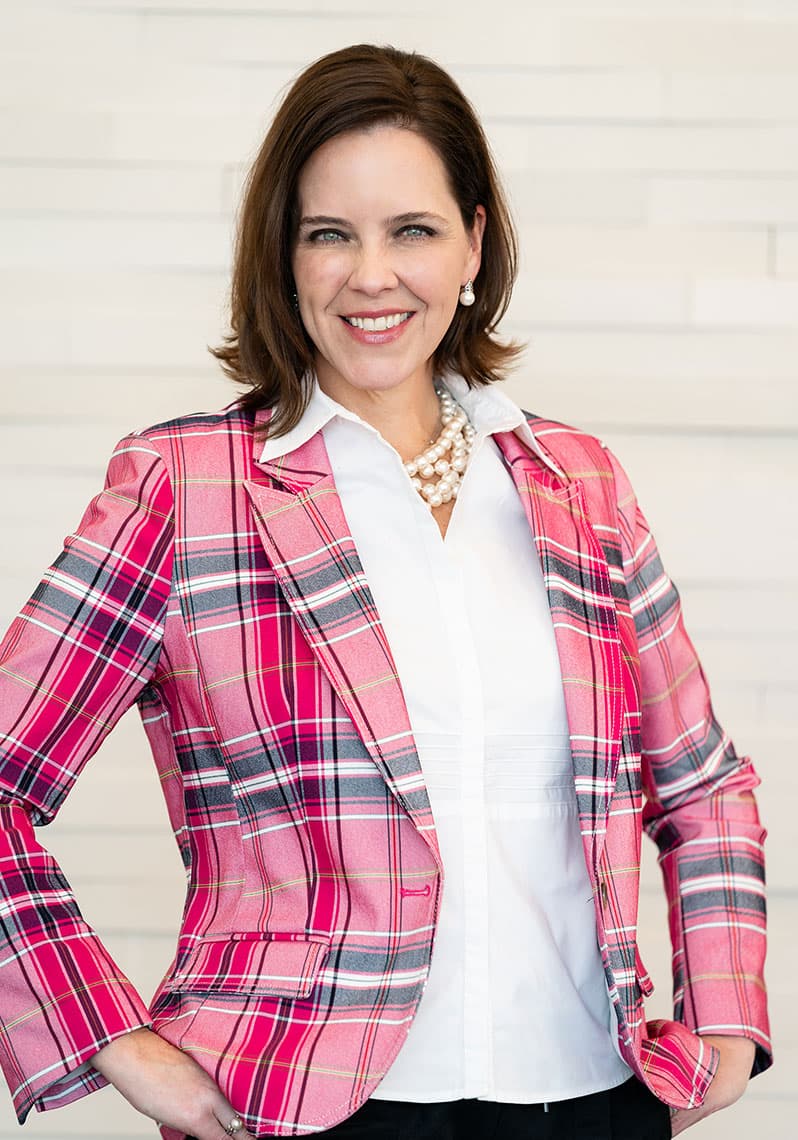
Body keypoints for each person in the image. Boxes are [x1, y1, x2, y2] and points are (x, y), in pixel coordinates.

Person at [0, 43, 770, 1140]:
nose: (372, 275)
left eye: (412, 230)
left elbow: (703, 787)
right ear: (283, 254)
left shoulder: (577, 484)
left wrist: (728, 1021)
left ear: (473, 245)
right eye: (330, 234)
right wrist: (110, 1042)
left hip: (590, 1093)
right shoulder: (187, 487)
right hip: (304, 1107)